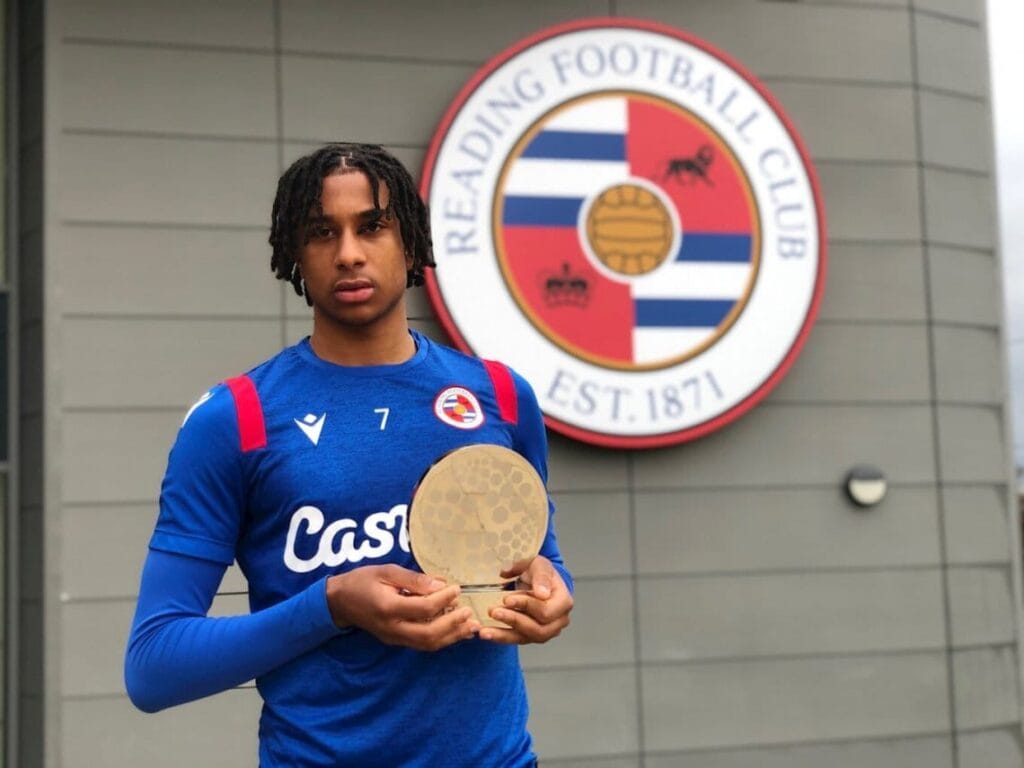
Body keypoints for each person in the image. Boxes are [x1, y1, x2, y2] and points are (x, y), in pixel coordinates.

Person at [124, 143, 574, 767]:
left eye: (372, 226)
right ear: (294, 257)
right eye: (320, 233)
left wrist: (551, 592)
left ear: (411, 243)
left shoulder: (499, 396)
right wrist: (331, 605)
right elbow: (154, 665)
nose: (349, 253)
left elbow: (538, 560)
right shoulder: (236, 419)